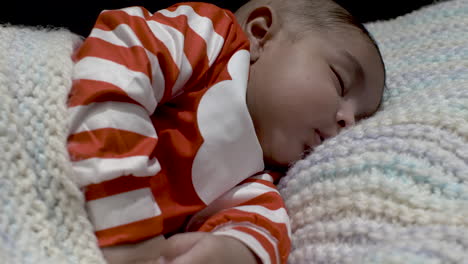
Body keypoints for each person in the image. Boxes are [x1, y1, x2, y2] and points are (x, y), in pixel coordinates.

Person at [67, 0, 385, 263]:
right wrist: (130, 236)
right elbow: (116, 64)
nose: (349, 123)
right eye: (341, 81)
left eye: (360, 116)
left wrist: (230, 252)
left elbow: (261, 228)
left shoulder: (256, 177)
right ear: (260, 34)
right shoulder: (211, 43)